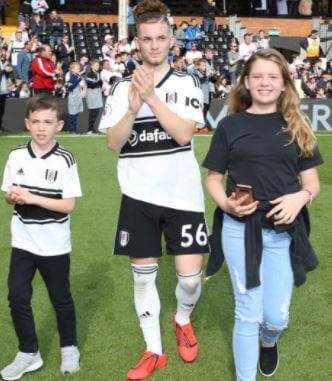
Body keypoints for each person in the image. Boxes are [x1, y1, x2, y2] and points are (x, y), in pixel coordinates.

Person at [98, 0, 209, 379]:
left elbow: (182, 134)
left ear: (171, 40)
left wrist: (150, 98)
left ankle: (182, 319)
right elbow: (113, 143)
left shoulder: (187, 81)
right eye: (147, 39)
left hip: (184, 198)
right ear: (137, 42)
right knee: (142, 277)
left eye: (161, 38)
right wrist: (130, 108)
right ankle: (153, 349)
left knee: (190, 281)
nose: (155, 45)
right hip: (138, 199)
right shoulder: (120, 87)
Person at [203, 48, 323, 381]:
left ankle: (268, 342)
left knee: (275, 318)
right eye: (257, 76)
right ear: (246, 81)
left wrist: (301, 197)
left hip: (282, 233)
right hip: (239, 230)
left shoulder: (297, 125)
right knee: (248, 312)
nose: (265, 82)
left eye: (273, 76)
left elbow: (312, 182)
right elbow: (213, 179)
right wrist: (227, 205)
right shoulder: (229, 125)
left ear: (285, 83)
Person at [0, 95, 82, 381]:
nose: (41, 128)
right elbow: (11, 198)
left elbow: (69, 205)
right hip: (23, 240)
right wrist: (13, 197)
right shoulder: (15, 155)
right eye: (35, 122)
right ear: (27, 123)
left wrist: (32, 197)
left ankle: (69, 346)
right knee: (17, 296)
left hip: (54, 244)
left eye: (47, 122)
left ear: (59, 125)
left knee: (61, 299)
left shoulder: (65, 160)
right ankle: (28, 352)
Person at [66, 61, 86, 134]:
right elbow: (70, 87)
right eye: (77, 68)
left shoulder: (77, 76)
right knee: (73, 114)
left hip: (77, 97)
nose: (78, 70)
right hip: (73, 98)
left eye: (79, 68)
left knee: (76, 114)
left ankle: (74, 129)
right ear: (72, 69)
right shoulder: (72, 77)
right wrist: (78, 80)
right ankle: (72, 129)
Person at [86, 58, 103, 134]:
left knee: (96, 112)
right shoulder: (89, 74)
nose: (98, 67)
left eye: (98, 65)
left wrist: (100, 83)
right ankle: (90, 129)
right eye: (96, 65)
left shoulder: (98, 74)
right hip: (92, 94)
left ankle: (93, 128)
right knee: (93, 112)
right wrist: (100, 81)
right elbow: (91, 85)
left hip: (97, 93)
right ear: (92, 66)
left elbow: (98, 84)